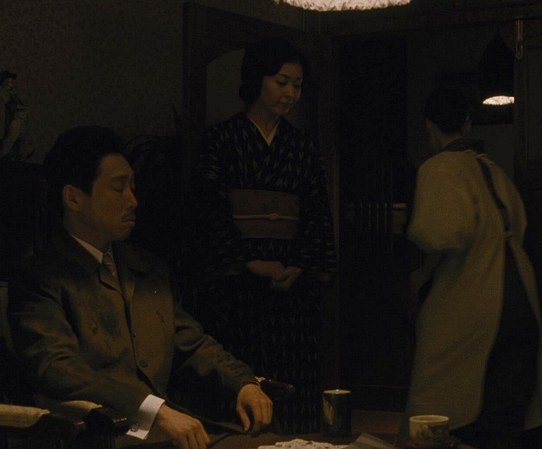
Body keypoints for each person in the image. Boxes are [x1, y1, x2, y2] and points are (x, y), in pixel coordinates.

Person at [7, 126, 275, 449]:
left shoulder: (146, 267)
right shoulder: (41, 277)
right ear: (73, 197)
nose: (132, 201)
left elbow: (190, 342)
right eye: (118, 188)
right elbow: (57, 369)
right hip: (100, 437)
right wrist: (152, 409)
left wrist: (242, 383)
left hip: (169, 435)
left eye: (132, 187)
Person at [183, 36, 336, 435]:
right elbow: (208, 209)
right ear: (257, 80)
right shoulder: (222, 139)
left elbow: (316, 212)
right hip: (238, 283)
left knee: (294, 373)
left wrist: (299, 264)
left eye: (297, 85)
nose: (290, 93)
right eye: (281, 82)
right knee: (241, 368)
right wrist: (249, 261)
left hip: (290, 282)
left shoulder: (301, 146)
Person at [403, 86, 542, 449]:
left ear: (429, 127)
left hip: (474, 297)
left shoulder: (439, 168)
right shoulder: (493, 170)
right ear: (467, 123)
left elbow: (441, 233)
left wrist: (419, 271)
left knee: (446, 401)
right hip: (520, 294)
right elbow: (519, 223)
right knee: (504, 409)